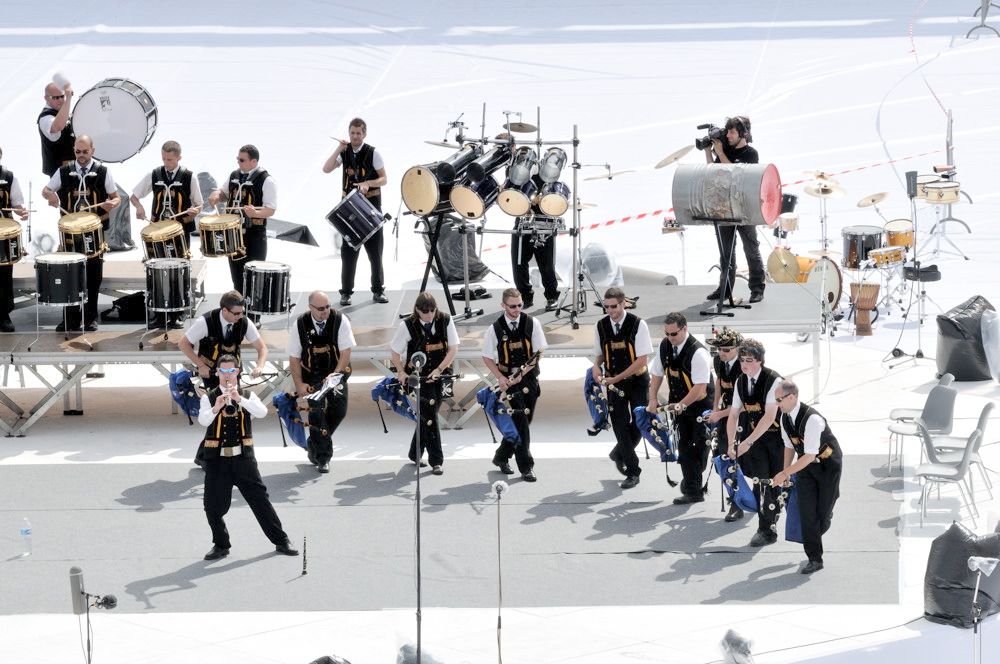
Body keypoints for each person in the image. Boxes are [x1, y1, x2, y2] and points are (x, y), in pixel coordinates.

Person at [197, 354, 299, 561]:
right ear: (217, 373)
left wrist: (239, 399)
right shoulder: (207, 398)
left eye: (231, 371)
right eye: (223, 371)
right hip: (217, 461)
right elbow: (203, 421)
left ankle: (281, 540)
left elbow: (261, 412)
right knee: (212, 506)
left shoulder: (247, 395)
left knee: (260, 500)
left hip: (243, 460)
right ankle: (221, 544)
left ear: (237, 372)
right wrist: (217, 406)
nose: (227, 375)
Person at [41, 135, 121, 331]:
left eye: (85, 152)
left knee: (93, 276)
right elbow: (46, 190)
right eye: (78, 152)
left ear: (93, 150)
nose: (81, 156)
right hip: (70, 234)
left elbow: (116, 197)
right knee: (69, 276)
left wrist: (112, 204)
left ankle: (90, 317)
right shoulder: (64, 171)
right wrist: (50, 195)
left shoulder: (103, 172)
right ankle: (69, 319)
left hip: (95, 231)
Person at [179, 290, 267, 466]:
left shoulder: (243, 321)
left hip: (233, 373)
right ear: (224, 311)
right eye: (236, 313)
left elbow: (262, 348)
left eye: (242, 312)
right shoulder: (205, 322)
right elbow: (183, 343)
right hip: (212, 372)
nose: (240, 316)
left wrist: (260, 365)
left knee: (233, 409)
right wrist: (200, 365)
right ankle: (207, 455)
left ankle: (207, 455)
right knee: (216, 409)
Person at [772, 380, 842, 575]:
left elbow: (811, 455)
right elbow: (789, 446)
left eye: (779, 400)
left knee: (822, 515)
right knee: (807, 512)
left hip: (828, 466)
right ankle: (814, 558)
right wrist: (786, 471)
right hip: (805, 468)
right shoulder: (785, 418)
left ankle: (825, 517)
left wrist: (785, 473)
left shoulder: (812, 420)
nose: (777, 404)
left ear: (791, 397)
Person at [482, 288, 548, 482]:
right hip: (508, 382)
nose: (517, 309)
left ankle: (501, 456)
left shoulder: (531, 323)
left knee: (524, 422)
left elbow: (539, 353)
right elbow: (487, 356)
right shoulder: (495, 328)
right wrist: (500, 378)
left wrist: (521, 374)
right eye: (512, 306)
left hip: (528, 378)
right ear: (503, 305)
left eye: (520, 305)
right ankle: (526, 467)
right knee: (521, 424)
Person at [389, 292, 459, 474]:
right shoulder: (407, 325)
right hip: (419, 376)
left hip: (441, 373)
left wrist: (439, 370)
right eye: (425, 311)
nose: (429, 314)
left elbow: (453, 349)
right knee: (431, 415)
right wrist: (401, 372)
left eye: (432, 310)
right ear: (417, 310)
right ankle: (437, 460)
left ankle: (415, 453)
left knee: (429, 414)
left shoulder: (445, 319)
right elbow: (395, 351)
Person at [647, 312, 713, 504]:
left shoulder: (698, 353)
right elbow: (657, 375)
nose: (670, 338)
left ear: (685, 328)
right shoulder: (665, 346)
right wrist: (652, 399)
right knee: (685, 446)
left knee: (701, 446)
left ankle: (692, 480)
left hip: (700, 406)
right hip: (679, 406)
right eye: (667, 334)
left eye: (674, 334)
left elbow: (700, 387)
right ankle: (693, 491)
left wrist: (681, 405)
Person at [322, 118, 388, 307]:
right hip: (350, 207)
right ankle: (346, 292)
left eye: (358, 133)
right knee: (348, 252)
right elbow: (326, 169)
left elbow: (384, 178)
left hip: (371, 207)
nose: (355, 136)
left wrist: (368, 183)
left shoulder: (373, 152)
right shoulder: (345, 152)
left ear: (364, 134)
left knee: (375, 253)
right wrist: (338, 149)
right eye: (352, 133)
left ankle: (378, 290)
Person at [725, 338, 785, 547]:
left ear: (760, 360)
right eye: (742, 360)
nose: (744, 364)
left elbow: (769, 416)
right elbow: (733, 414)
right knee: (761, 482)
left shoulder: (774, 381)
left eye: (749, 360)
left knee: (779, 483)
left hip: (779, 439)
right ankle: (766, 529)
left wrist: (747, 443)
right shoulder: (741, 381)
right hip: (757, 439)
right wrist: (732, 442)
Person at [288, 290, 355, 474]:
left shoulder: (340, 320)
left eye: (327, 306)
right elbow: (294, 358)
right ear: (310, 308)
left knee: (339, 411)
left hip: (336, 372)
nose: (325, 311)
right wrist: (299, 384)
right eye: (320, 308)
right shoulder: (299, 324)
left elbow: (346, 352)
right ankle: (322, 458)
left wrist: (334, 375)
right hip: (312, 376)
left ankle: (313, 444)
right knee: (316, 413)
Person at [592, 287, 652, 490]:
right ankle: (633, 470)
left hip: (636, 380)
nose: (610, 310)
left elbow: (642, 359)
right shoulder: (600, 326)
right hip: (613, 382)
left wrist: (616, 377)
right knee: (618, 423)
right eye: (606, 307)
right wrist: (595, 367)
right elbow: (600, 354)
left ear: (623, 303)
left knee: (641, 421)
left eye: (613, 306)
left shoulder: (638, 324)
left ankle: (619, 453)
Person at [703, 116, 765, 304]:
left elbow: (736, 174)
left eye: (732, 132)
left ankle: (757, 288)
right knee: (726, 252)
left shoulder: (751, 153)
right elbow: (713, 170)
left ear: (743, 134)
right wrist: (708, 150)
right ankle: (725, 288)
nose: (727, 135)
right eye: (727, 131)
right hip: (725, 207)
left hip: (744, 208)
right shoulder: (725, 149)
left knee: (751, 250)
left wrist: (721, 152)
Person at [207, 145, 276, 292]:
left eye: (242, 160)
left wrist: (255, 214)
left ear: (254, 161)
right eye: (238, 159)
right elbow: (224, 193)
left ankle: (253, 315)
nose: (238, 162)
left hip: (254, 235)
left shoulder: (266, 180)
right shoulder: (234, 175)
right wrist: (216, 196)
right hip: (233, 235)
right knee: (237, 279)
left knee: (254, 279)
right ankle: (239, 313)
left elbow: (271, 209)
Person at [704, 327, 746, 522]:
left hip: (744, 417)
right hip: (726, 414)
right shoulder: (719, 361)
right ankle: (735, 501)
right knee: (724, 456)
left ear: (738, 349)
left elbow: (744, 404)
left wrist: (719, 414)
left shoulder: (745, 365)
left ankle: (746, 500)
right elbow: (719, 383)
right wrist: (715, 409)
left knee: (741, 461)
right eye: (719, 349)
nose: (722, 353)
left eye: (727, 349)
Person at [129, 140, 203, 237]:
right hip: (157, 228)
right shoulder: (153, 175)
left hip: (181, 229)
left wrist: (194, 211)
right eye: (163, 159)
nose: (166, 163)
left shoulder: (190, 177)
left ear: (179, 158)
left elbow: (199, 205)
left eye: (169, 160)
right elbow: (133, 198)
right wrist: (139, 207)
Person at [0, 147, 30, 332]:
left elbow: (17, 205)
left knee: (3, 276)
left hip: (4, 234)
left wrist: (22, 212)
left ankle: (3, 315)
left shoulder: (9, 177)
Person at [511, 214, 560, 311]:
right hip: (522, 222)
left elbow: (562, 199)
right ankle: (524, 297)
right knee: (518, 263)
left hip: (544, 223)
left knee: (546, 265)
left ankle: (552, 297)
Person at [38, 79, 75, 176]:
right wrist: (69, 99)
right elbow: (58, 126)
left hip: (74, 171)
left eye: (62, 96)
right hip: (59, 175)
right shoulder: (45, 117)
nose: (61, 100)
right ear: (46, 98)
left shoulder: (65, 112)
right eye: (56, 98)